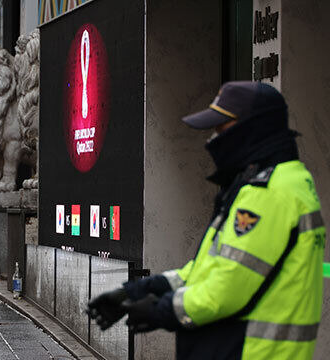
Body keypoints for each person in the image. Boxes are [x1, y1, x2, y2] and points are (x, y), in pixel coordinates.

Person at [87, 81, 325, 359]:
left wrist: (160, 310)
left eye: (222, 128)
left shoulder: (269, 192)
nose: (213, 139)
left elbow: (226, 289)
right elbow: (208, 270)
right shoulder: (277, 183)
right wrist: (138, 291)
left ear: (252, 129)